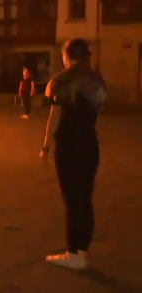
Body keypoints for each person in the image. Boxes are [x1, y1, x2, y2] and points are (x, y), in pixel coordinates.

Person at [40, 38, 105, 270]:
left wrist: (45, 146)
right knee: (85, 198)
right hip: (89, 144)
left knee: (72, 199)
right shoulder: (97, 80)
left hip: (69, 147)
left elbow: (54, 117)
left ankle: (74, 253)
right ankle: (82, 249)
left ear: (67, 56)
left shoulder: (61, 81)